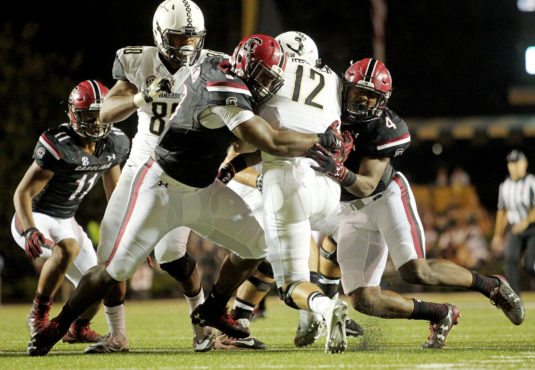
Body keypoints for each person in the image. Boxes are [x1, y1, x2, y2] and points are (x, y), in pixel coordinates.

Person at [26, 33, 349, 356]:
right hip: (162, 187)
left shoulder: (222, 67)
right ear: (244, 67)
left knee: (256, 244)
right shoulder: (224, 85)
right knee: (115, 269)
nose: (268, 84)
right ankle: (59, 324)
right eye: (264, 76)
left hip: (202, 188)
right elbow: (268, 141)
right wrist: (322, 139)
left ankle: (215, 308)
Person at [308, 58, 525, 350]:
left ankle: (491, 286)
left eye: (371, 96)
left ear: (382, 100)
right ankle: (439, 313)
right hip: (348, 210)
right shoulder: (325, 106)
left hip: (385, 197)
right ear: (345, 87)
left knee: (415, 271)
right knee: (363, 300)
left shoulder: (386, 126)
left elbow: (368, 184)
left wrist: (337, 170)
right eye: (358, 92)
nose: (362, 101)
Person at [84, 0, 222, 353]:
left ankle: (203, 328)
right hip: (141, 160)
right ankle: (117, 335)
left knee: (172, 257)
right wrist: (140, 97)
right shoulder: (137, 59)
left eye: (193, 39)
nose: (188, 47)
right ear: (160, 35)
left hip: (179, 166)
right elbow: (107, 112)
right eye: (179, 39)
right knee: (109, 254)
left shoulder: (214, 63)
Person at [214, 31, 362, 352]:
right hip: (329, 184)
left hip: (287, 180)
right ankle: (324, 297)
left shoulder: (268, 70)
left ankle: (323, 308)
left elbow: (266, 140)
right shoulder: (332, 78)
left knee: (290, 283)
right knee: (290, 249)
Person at [11, 80, 129, 347]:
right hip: (35, 215)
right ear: (74, 115)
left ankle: (78, 327)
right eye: (90, 116)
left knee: (101, 281)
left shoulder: (115, 143)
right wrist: (30, 229)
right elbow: (22, 193)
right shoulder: (60, 144)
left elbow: (116, 196)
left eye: (101, 115)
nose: (97, 123)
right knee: (68, 248)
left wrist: (130, 232)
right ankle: (38, 316)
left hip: (67, 220)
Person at [491, 149, 535, 294]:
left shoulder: (532, 182)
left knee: (530, 265)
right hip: (515, 228)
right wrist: (497, 235)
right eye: (510, 163)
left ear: (524, 164)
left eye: (516, 162)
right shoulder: (505, 186)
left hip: (532, 228)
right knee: (509, 261)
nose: (513, 166)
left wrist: (526, 221)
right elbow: (502, 211)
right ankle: (515, 299)